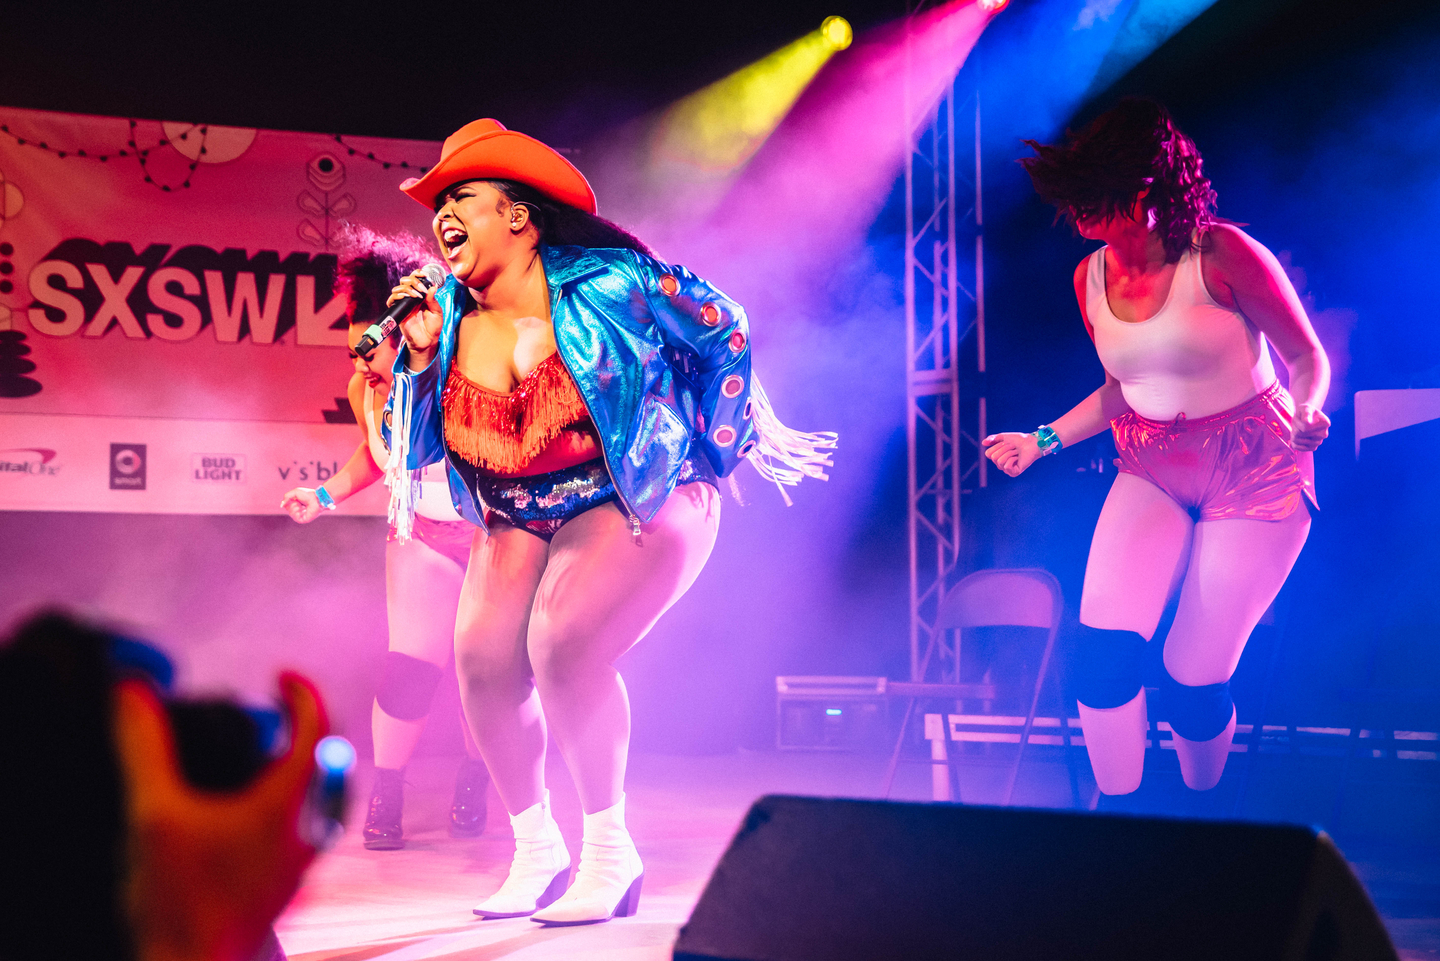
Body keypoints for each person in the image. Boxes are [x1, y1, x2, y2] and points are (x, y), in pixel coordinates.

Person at [382, 119, 833, 925]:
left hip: (636, 492)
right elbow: (415, 449)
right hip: (519, 508)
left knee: (561, 640)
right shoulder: (444, 319)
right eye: (438, 202)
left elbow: (724, 328)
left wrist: (711, 445)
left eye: (463, 198)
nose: (443, 215)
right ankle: (537, 852)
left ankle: (610, 855)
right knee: (482, 660)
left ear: (517, 215)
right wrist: (415, 363)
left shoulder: (614, 282)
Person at [983, 99, 1330, 798]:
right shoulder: (1089, 278)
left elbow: (1305, 354)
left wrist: (1309, 408)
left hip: (1257, 466)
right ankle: (1119, 827)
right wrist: (1041, 439)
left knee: (1190, 677)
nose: (1080, 217)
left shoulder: (1222, 253)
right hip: (1151, 464)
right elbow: (1124, 387)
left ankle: (1203, 816)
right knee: (1101, 659)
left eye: (1094, 199)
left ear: (1146, 193)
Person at [280, 230, 491, 850]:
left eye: (371, 349)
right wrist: (325, 496)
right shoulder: (362, 391)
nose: (361, 362)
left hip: (490, 536)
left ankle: (477, 780)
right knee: (409, 669)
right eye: (354, 350)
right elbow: (380, 458)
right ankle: (387, 791)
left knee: (489, 669)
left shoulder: (462, 379)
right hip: (420, 535)